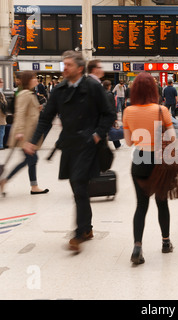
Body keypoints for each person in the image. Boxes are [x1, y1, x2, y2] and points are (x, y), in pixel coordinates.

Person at [23, 51, 114, 252]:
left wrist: (98, 134)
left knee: (79, 182)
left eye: (68, 65)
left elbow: (109, 114)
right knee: (77, 185)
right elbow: (46, 118)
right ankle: (87, 227)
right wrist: (32, 141)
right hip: (70, 144)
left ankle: (80, 232)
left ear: (80, 68)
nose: (64, 69)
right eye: (63, 65)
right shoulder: (59, 89)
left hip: (88, 144)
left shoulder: (92, 87)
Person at [122, 72, 176, 264]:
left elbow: (128, 142)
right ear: (154, 90)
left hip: (139, 159)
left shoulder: (128, 111)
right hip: (159, 161)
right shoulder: (162, 110)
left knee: (141, 206)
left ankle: (137, 246)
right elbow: (172, 138)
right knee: (162, 202)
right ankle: (166, 242)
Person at [0, 71, 49, 196]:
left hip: (29, 132)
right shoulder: (25, 94)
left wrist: (37, 109)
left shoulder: (30, 93)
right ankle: (5, 180)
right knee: (31, 159)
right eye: (34, 78)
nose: (36, 80)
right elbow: (20, 113)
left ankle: (34, 186)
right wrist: (20, 131)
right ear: (28, 80)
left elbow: (27, 111)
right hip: (25, 133)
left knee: (31, 159)